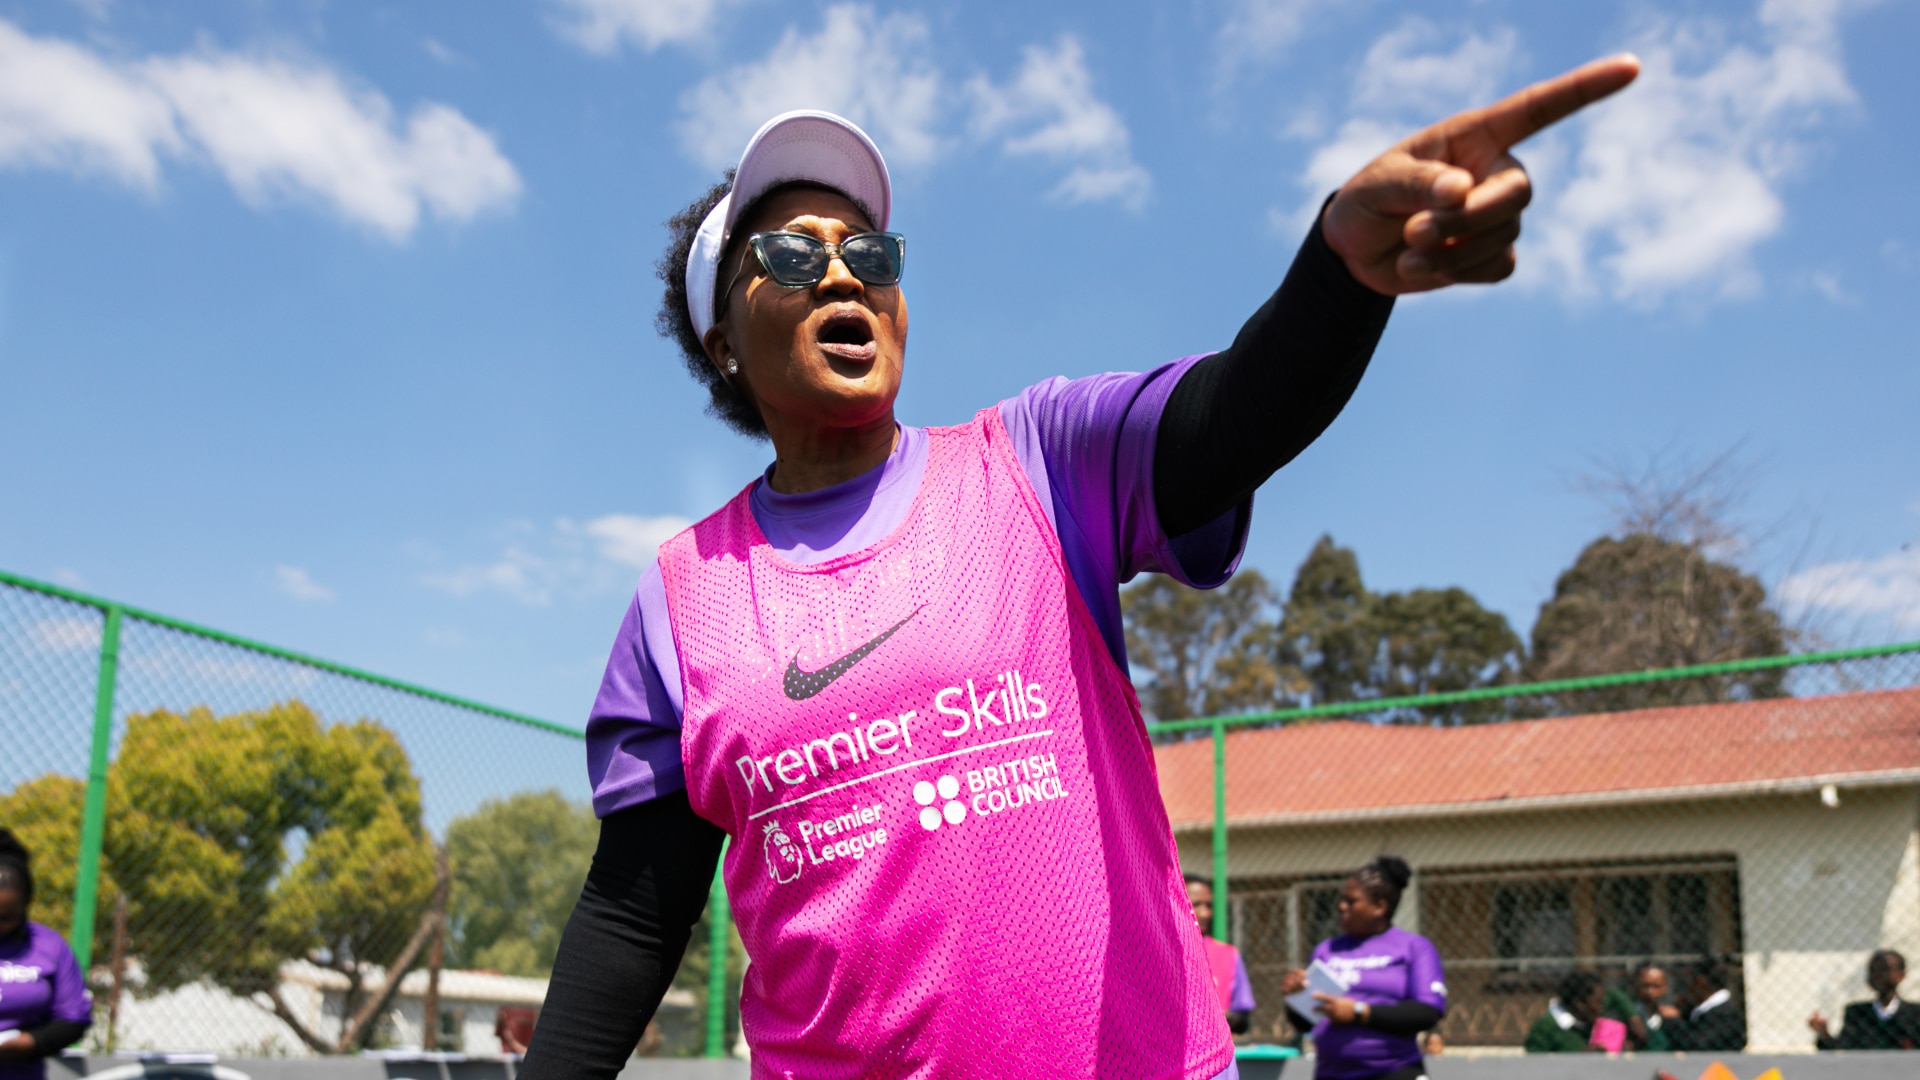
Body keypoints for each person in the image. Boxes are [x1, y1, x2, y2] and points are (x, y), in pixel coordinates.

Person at [522, 49, 1639, 1080]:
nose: (842, 274)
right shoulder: (682, 599)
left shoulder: (1037, 464)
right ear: (720, 336)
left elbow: (1234, 415)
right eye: (789, 254)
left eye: (868, 252)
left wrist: (1342, 274)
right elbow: (634, 913)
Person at [1279, 857, 1446, 1080]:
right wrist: (1296, 998)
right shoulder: (1327, 950)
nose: (1341, 906)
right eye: (1342, 900)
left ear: (1379, 907)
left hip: (1394, 1071)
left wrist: (1359, 1012)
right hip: (1333, 1073)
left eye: (1351, 901)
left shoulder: (1414, 947)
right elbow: (1304, 1022)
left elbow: (1426, 1013)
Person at [0, 830, 91, 1080]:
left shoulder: (49, 945)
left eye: (5, 918)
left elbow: (73, 1018)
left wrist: (27, 1044)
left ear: (25, 903)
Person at [1809, 950, 1920, 1051]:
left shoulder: (1915, 1014)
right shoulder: (1857, 1013)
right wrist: (1823, 1033)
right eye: (1873, 970)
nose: (1877, 975)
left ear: (1900, 976)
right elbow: (1841, 1050)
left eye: (1883, 970)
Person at [1186, 875, 1255, 1035]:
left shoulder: (1228, 955)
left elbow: (1243, 1021)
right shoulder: (1158, 952)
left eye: (1209, 906)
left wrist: (1224, 1016)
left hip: (1215, 1053)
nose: (1205, 914)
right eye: (1196, 904)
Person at [1524, 970, 1634, 1054]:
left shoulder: (1591, 1024)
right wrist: (1581, 1058)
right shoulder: (1546, 1027)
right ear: (1580, 1004)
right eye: (1598, 1002)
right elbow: (1534, 1067)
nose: (1602, 1008)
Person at [1670, 956, 1746, 1052]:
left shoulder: (1724, 1013)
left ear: (1700, 982)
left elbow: (1699, 1046)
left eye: (1688, 982)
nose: (1687, 990)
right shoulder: (1701, 1010)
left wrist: (1674, 1020)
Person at [1626, 962, 1679, 1052]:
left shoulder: (1673, 1016)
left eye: (1656, 986)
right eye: (1645, 986)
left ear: (1665, 987)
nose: (1650, 991)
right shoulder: (1629, 1014)